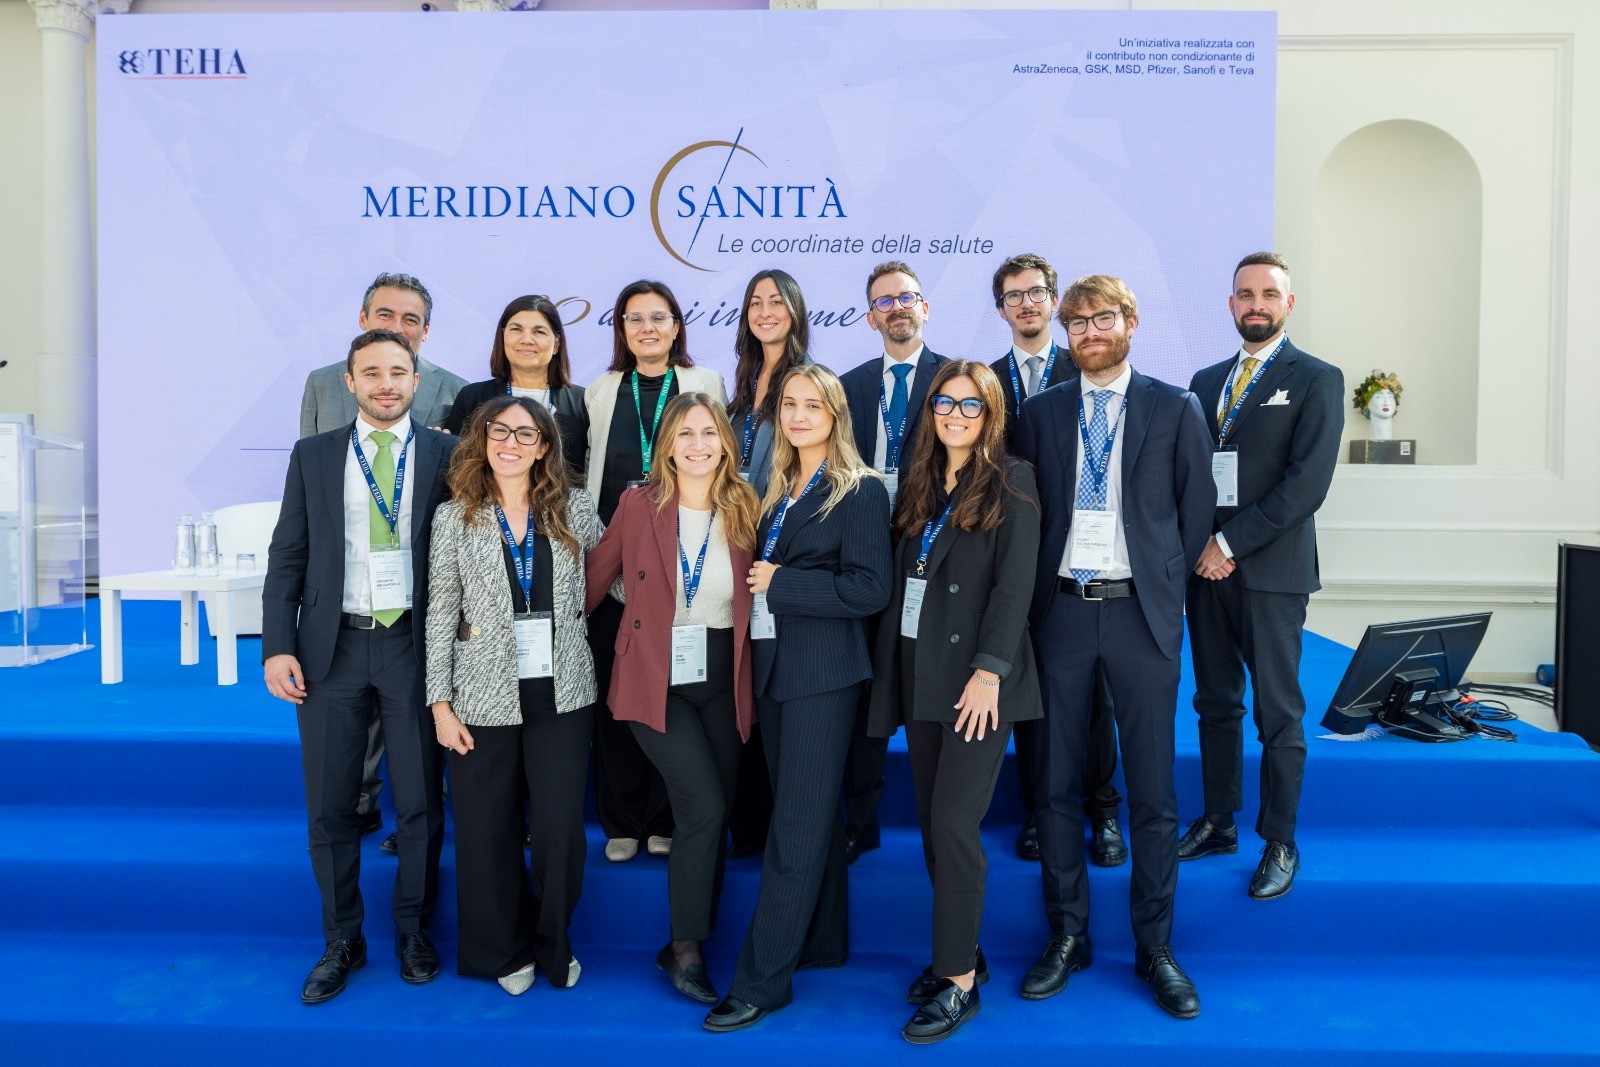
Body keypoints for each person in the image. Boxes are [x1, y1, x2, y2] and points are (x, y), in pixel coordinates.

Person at [1013, 275, 1213, 1019]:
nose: (1089, 331)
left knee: (1154, 793)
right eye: (1077, 322)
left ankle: (1155, 946)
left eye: (1102, 318)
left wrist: (1156, 584)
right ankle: (1068, 934)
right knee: (1055, 784)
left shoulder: (1174, 406)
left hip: (1140, 617)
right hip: (1060, 615)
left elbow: (1195, 513)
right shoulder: (1040, 412)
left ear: (1131, 322)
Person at [263, 328, 456, 1003]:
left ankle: (413, 929)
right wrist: (277, 644)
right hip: (331, 648)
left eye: (397, 371)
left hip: (414, 646)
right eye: (370, 372)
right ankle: (342, 937)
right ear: (349, 382)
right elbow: (288, 553)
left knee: (421, 800)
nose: (385, 384)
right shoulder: (314, 454)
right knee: (329, 802)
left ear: (415, 380)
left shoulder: (448, 454)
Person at [704, 364, 893, 1033]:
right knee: (808, 814)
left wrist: (783, 583)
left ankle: (762, 980)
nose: (799, 414)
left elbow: (870, 588)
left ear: (835, 414)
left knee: (795, 826)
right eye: (789, 403)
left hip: (823, 675)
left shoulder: (860, 489)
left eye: (814, 404)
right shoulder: (776, 486)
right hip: (775, 670)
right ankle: (822, 940)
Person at [868, 360, 1042, 1043]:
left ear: (991, 414)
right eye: (946, 402)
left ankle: (959, 983)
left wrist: (990, 671)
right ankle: (961, 949)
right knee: (933, 823)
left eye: (971, 405)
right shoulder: (920, 479)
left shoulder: (1013, 479)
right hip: (922, 673)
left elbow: (1014, 586)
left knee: (952, 824)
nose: (956, 415)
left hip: (977, 682)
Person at [586, 394, 761, 1006]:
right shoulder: (639, 504)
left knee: (715, 810)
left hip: (724, 675)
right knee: (704, 808)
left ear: (726, 443)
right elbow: (593, 577)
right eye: (684, 433)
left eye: (709, 432)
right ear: (666, 445)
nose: (697, 444)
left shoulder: (746, 504)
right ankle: (684, 949)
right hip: (654, 674)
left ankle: (696, 933)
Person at [425, 396, 602, 994]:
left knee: (559, 831)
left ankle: (554, 941)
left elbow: (619, 577)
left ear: (544, 447)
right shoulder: (455, 516)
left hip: (565, 690)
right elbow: (441, 613)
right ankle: (502, 950)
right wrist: (440, 705)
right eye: (499, 431)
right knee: (486, 827)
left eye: (526, 435)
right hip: (481, 692)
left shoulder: (576, 508)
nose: (511, 443)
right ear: (482, 439)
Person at [1180, 252, 1343, 900]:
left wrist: (1227, 542)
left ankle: (1280, 839)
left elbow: (1306, 486)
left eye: (1269, 294)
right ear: (1231, 304)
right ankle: (1219, 821)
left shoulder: (1317, 378)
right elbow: (1188, 474)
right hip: (1206, 573)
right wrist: (1202, 546)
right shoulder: (1205, 380)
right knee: (1215, 703)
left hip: (1271, 573)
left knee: (1278, 711)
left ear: (1288, 304)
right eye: (1245, 294)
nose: (1256, 304)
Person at [298, 272, 466, 854]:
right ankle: (360, 802)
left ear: (425, 333)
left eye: (411, 319)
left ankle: (415, 815)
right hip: (344, 598)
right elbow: (310, 497)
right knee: (346, 729)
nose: (398, 326)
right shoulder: (323, 384)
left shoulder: (455, 389)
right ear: (363, 320)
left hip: (415, 602)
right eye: (386, 315)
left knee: (414, 724)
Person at [988, 252, 1126, 869]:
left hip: (1086, 558)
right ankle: (1039, 808)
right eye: (1013, 296)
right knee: (1031, 690)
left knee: (1095, 695)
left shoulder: (1092, 362)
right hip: (1017, 556)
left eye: (1036, 292)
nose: (1026, 303)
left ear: (1054, 301)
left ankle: (1102, 807)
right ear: (1001, 309)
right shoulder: (985, 379)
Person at [583, 280, 728, 863]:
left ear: (676, 326)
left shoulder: (705, 383)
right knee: (620, 699)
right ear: (621, 328)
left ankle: (666, 816)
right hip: (621, 566)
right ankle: (622, 819)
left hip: (685, 568)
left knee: (676, 701)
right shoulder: (600, 390)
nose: (647, 328)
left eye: (658, 317)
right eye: (634, 318)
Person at [837, 261, 948, 864]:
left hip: (933, 554)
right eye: (884, 301)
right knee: (864, 693)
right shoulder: (848, 387)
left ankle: (944, 821)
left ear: (924, 307)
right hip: (862, 554)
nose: (897, 307)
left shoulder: (956, 380)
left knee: (927, 678)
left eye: (907, 297)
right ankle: (861, 819)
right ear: (870, 317)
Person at [725, 269, 811, 858]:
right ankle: (749, 821)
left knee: (771, 686)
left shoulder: (805, 381)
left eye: (776, 301)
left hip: (779, 552)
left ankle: (781, 824)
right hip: (733, 549)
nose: (765, 311)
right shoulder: (743, 382)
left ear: (795, 311)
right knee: (742, 684)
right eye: (755, 302)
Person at [439, 294, 589, 481]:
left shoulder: (583, 402)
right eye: (516, 329)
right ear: (503, 338)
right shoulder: (472, 397)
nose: (527, 339)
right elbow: (456, 468)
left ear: (556, 344)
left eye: (539, 332)